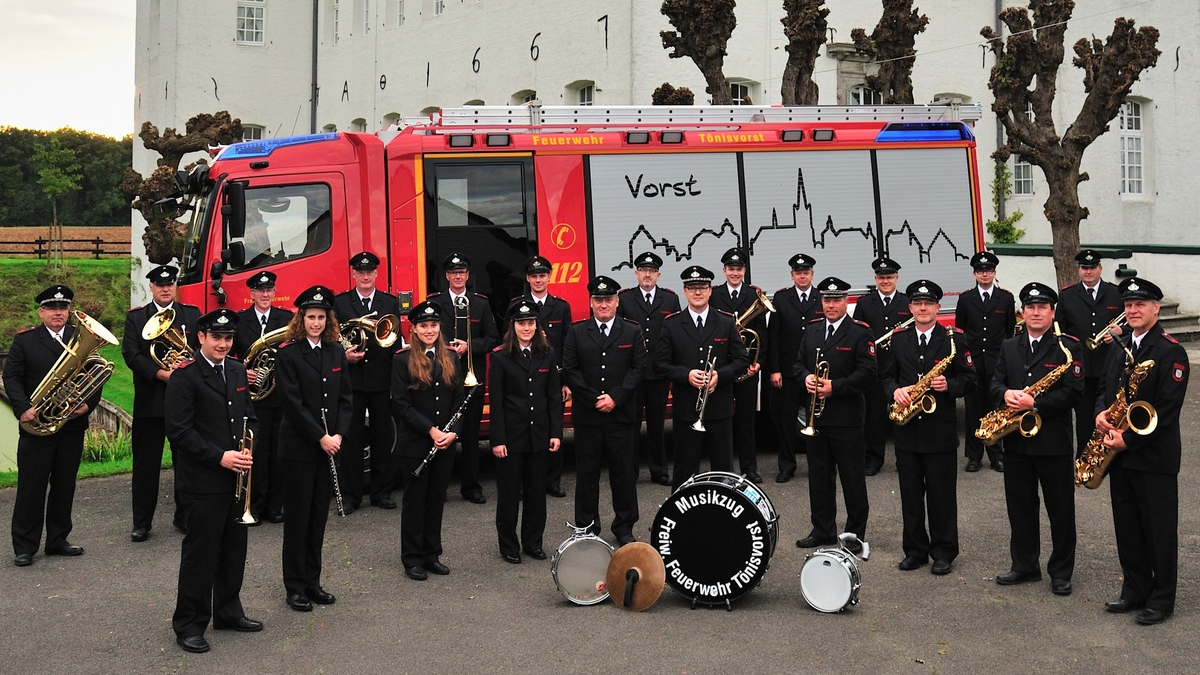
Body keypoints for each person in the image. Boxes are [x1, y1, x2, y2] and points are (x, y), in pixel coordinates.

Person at [164, 308, 261, 654]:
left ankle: (228, 611)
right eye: (216, 337)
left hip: (236, 477)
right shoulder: (184, 376)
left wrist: (248, 448)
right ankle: (189, 624)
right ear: (201, 337)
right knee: (200, 555)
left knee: (234, 551)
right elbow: (178, 432)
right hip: (203, 480)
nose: (223, 344)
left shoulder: (236, 369)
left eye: (228, 338)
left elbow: (249, 416)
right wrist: (220, 456)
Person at [1097, 277, 1189, 625]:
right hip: (1119, 455)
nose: (1133, 310)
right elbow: (1104, 388)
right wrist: (1100, 413)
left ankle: (1161, 599)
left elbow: (1166, 410)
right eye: (1128, 305)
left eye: (1140, 304)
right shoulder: (1119, 346)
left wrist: (1128, 441)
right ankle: (1134, 590)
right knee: (1128, 528)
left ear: (1155, 309)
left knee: (1158, 530)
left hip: (1153, 458)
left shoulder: (1170, 351)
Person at [990, 282, 1082, 596]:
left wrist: (1037, 404)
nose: (1036, 312)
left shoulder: (1068, 347)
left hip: (1053, 443)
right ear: (1022, 312)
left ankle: (1061, 572)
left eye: (1042, 307)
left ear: (1053, 312)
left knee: (1061, 511)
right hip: (1016, 442)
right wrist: (1005, 393)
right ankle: (1025, 565)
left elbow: (1075, 392)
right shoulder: (1009, 346)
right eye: (1030, 307)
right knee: (1020, 508)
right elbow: (995, 382)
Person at [881, 280, 975, 575]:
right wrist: (895, 391)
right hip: (907, 432)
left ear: (938, 307)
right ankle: (915, 551)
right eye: (918, 303)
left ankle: (944, 552)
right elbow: (885, 377)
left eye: (929, 303)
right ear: (910, 307)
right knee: (910, 496)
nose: (923, 308)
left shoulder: (954, 339)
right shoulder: (899, 339)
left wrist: (950, 385)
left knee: (941, 496)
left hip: (940, 432)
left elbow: (971, 379)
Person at [6, 285, 103, 567]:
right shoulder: (25, 341)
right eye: (51, 308)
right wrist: (23, 408)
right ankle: (25, 546)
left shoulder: (79, 337)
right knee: (31, 487)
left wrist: (88, 404)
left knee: (64, 485)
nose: (58, 313)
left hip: (70, 427)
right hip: (38, 425)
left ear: (68, 311)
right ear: (41, 312)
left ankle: (58, 540)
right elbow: (11, 377)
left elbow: (96, 374)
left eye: (63, 308)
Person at [275, 285, 352, 612]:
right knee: (298, 519)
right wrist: (320, 437)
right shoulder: (288, 353)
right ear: (301, 319)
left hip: (329, 448)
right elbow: (292, 404)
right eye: (311, 317)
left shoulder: (335, 352)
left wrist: (339, 435)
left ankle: (313, 581)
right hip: (299, 448)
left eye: (321, 317)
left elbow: (346, 399)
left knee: (318, 517)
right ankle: (294, 586)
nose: (316, 323)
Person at [793, 277, 876, 552]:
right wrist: (805, 377)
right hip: (817, 419)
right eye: (827, 300)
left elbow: (868, 374)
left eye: (836, 300)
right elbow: (798, 364)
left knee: (852, 479)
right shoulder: (813, 329)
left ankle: (854, 535)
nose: (831, 305)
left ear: (846, 301)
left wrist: (834, 387)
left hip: (846, 418)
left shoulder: (860, 332)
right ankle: (822, 530)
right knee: (819, 478)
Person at [562, 276, 646, 545]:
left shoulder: (631, 330)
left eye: (608, 299)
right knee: (587, 475)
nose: (603, 304)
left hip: (620, 415)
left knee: (623, 474)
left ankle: (624, 527)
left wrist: (616, 398)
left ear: (617, 301)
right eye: (598, 300)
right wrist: (594, 399)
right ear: (591, 302)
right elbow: (570, 369)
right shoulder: (576, 331)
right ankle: (587, 526)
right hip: (588, 416)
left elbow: (638, 369)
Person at [123, 264, 201, 542]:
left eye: (170, 284)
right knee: (146, 466)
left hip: (185, 403)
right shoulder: (136, 318)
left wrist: (186, 369)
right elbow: (131, 354)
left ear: (175, 286)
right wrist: (162, 373)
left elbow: (200, 350)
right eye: (160, 285)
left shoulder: (191, 315)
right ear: (152, 287)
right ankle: (141, 523)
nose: (166, 289)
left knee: (187, 463)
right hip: (151, 403)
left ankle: (185, 517)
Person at [653, 265, 749, 491]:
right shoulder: (672, 323)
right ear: (684, 291)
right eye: (692, 288)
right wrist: (686, 375)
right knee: (684, 471)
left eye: (703, 288)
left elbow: (741, 361)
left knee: (723, 471)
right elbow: (660, 365)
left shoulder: (725, 321)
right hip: (687, 409)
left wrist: (719, 375)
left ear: (710, 290)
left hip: (719, 409)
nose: (698, 292)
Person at [391, 300, 466, 581]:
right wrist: (431, 431)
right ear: (414, 329)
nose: (429, 330)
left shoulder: (452, 358)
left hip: (445, 443)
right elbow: (401, 403)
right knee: (415, 502)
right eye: (424, 326)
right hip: (416, 443)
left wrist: (453, 432)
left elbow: (459, 399)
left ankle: (432, 554)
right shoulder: (402, 359)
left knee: (436, 500)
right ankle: (412, 558)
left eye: (434, 325)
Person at [489, 300, 563, 564]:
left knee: (536, 494)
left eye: (531, 323)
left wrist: (556, 433)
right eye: (521, 323)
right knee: (509, 495)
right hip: (511, 438)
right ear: (513, 326)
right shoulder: (500, 357)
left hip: (539, 436)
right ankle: (508, 545)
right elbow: (496, 402)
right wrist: (498, 439)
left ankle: (533, 542)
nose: (526, 328)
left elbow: (553, 397)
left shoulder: (547, 353)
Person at [427, 252, 500, 504]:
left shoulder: (480, 303)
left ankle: (471, 487)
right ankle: (439, 487)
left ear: (467, 275)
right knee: (441, 433)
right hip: (442, 376)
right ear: (447, 276)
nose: (458, 276)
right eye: (453, 273)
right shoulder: (435, 303)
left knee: (470, 436)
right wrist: (448, 348)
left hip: (471, 379)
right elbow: (427, 336)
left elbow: (493, 339)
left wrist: (470, 346)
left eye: (462, 272)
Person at [334, 251, 401, 513]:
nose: (365, 276)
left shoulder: (389, 302)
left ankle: (381, 493)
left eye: (369, 272)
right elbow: (333, 340)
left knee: (383, 438)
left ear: (376, 274)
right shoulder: (340, 303)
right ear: (353, 274)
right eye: (360, 272)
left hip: (381, 379)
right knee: (351, 439)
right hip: (352, 381)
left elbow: (393, 341)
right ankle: (351, 496)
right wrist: (344, 356)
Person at [232, 270, 294, 523]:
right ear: (252, 294)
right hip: (253, 400)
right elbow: (228, 355)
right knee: (256, 452)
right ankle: (255, 506)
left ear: (274, 292)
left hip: (279, 396)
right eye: (260, 291)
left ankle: (275, 506)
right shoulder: (239, 320)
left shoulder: (287, 319)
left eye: (269, 290)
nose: (265, 294)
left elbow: (293, 353)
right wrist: (242, 372)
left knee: (278, 452)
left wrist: (282, 372)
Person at [511, 255, 573, 498]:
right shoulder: (517, 306)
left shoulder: (561, 307)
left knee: (553, 425)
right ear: (527, 278)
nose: (538, 280)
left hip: (553, 378)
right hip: (524, 377)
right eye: (534, 276)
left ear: (549, 277)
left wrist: (566, 381)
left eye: (542, 275)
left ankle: (552, 481)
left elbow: (568, 346)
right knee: (525, 428)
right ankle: (524, 483)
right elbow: (509, 344)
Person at [617, 251, 680, 486]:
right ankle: (630, 472)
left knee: (657, 424)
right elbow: (619, 335)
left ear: (658, 275)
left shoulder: (669, 299)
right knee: (631, 425)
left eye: (652, 271)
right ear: (636, 273)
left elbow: (675, 335)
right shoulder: (624, 298)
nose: (647, 274)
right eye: (643, 270)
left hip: (658, 373)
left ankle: (659, 470)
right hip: (632, 373)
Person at [708, 246, 766, 483]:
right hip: (722, 369)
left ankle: (749, 468)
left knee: (746, 420)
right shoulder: (714, 294)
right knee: (721, 420)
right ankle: (723, 468)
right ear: (724, 270)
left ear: (744, 271)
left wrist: (758, 362)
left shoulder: (754, 295)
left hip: (747, 369)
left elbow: (762, 332)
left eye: (739, 269)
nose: (735, 273)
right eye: (731, 269)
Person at [1057, 249, 1123, 455]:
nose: (1088, 271)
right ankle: (1084, 458)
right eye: (1084, 268)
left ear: (1100, 268)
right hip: (1081, 368)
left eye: (1092, 267)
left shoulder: (1115, 293)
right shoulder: (1067, 295)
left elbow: (1131, 322)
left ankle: (1107, 455)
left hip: (1109, 366)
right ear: (1079, 270)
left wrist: (1121, 332)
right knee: (1084, 418)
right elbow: (1060, 332)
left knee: (1110, 415)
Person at [955, 250, 1016, 473]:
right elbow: (961, 330)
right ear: (974, 274)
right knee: (972, 412)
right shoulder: (965, 299)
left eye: (988, 270)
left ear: (994, 273)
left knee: (995, 411)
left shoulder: (1006, 298)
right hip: (973, 364)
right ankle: (974, 456)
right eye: (980, 271)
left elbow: (1009, 332)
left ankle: (996, 455)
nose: (984, 274)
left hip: (996, 363)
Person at [765, 253, 821, 484]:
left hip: (815, 372)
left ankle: (818, 465)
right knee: (787, 422)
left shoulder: (822, 297)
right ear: (792, 276)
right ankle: (787, 467)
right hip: (788, 373)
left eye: (806, 272)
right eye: (798, 273)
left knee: (815, 421)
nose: (802, 276)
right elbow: (774, 336)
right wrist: (774, 369)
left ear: (812, 275)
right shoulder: (781, 298)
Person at [853, 256, 911, 475]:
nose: (885, 281)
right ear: (875, 279)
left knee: (902, 414)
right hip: (874, 368)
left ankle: (904, 459)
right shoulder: (865, 303)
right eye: (881, 277)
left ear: (897, 278)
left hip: (900, 368)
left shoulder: (907, 302)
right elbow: (857, 333)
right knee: (874, 417)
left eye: (889, 277)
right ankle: (873, 459)